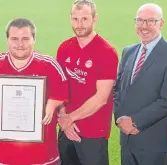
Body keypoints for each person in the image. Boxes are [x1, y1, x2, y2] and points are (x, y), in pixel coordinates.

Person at [0, 18, 68, 165]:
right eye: (14, 39)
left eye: (25, 38)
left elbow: (61, 92)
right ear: (7, 40)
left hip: (42, 156)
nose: (20, 44)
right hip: (2, 156)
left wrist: (51, 105)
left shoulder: (49, 65)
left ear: (34, 39)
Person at [113, 3, 167, 165]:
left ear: (161, 23)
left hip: (153, 143)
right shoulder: (128, 51)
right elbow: (118, 90)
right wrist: (120, 118)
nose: (144, 26)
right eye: (140, 21)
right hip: (127, 140)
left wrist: (135, 122)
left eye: (151, 21)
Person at [56, 0, 118, 165]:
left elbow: (101, 98)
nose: (79, 24)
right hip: (66, 129)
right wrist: (62, 116)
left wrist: (70, 118)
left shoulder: (107, 52)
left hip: (93, 132)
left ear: (95, 19)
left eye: (84, 19)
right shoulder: (64, 48)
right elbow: (58, 88)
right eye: (75, 19)